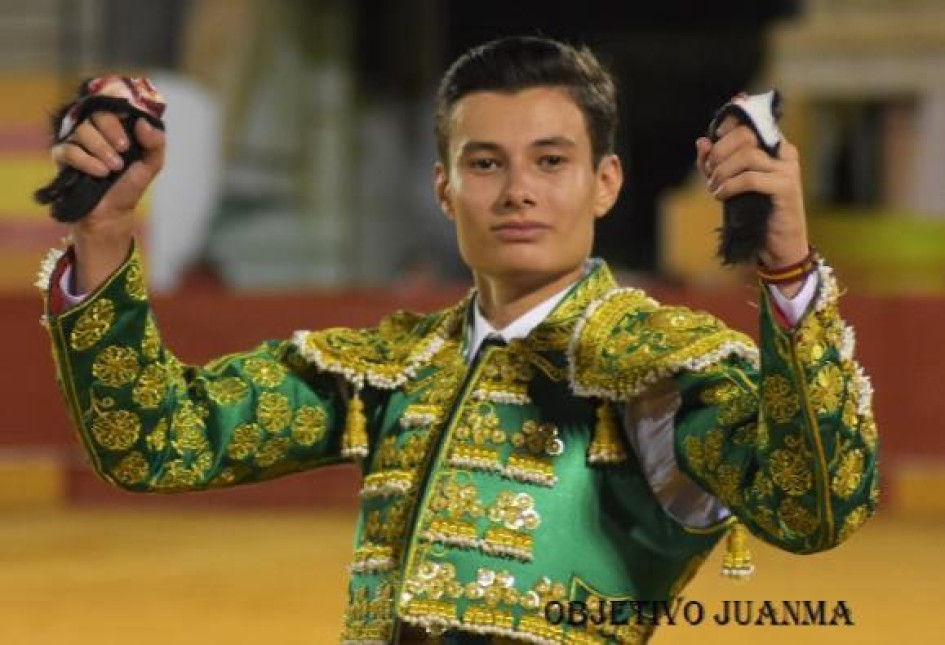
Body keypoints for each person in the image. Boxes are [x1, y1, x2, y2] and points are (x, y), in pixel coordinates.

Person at [37, 36, 878, 644]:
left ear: (605, 183)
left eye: (550, 161)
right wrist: (106, 231)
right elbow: (155, 442)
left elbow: (812, 511)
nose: (517, 192)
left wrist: (789, 279)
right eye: (485, 164)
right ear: (444, 188)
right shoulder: (389, 367)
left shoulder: (661, 368)